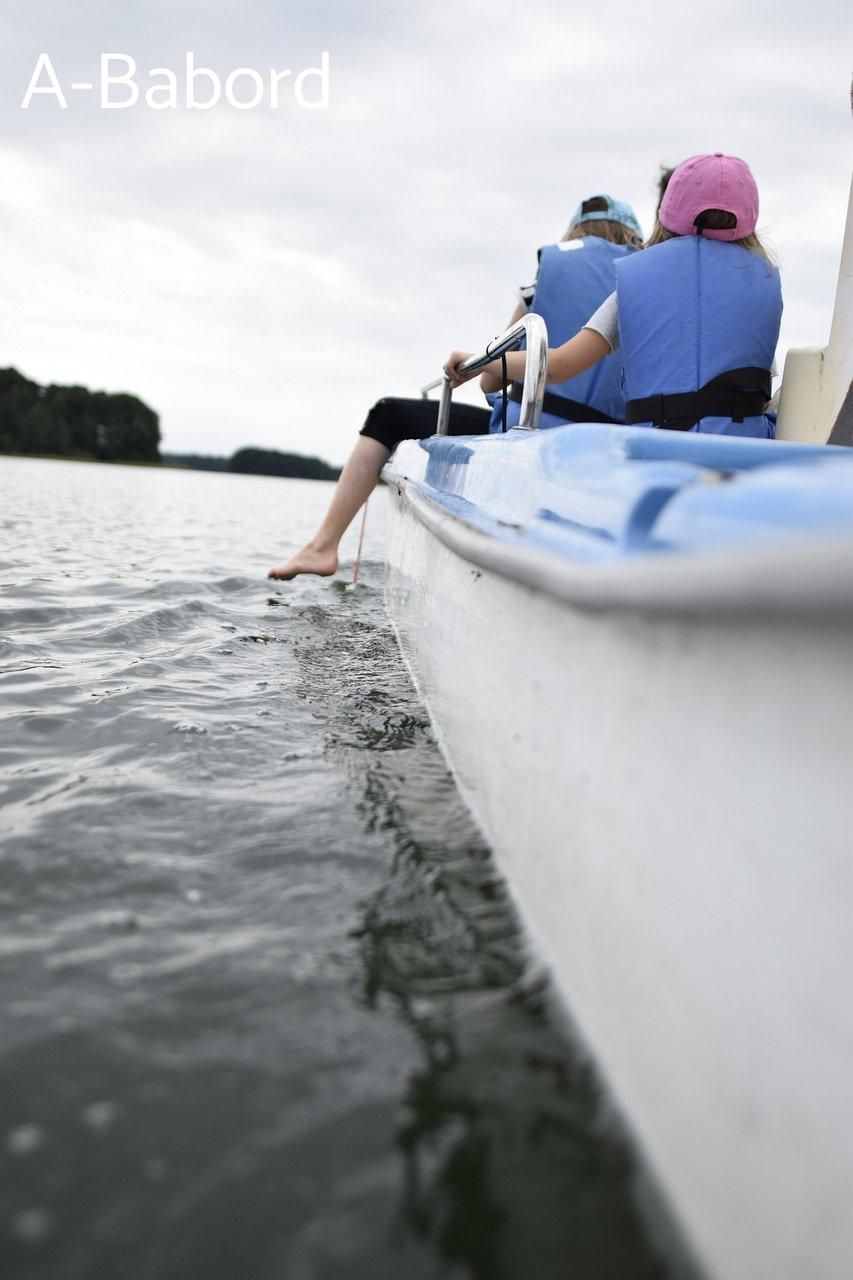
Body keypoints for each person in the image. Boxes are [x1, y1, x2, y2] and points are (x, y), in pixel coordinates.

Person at [268, 194, 642, 581]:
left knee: (387, 415)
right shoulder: (643, 287)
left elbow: (490, 379)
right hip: (605, 444)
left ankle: (322, 546)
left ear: (573, 233)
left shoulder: (543, 282)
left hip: (529, 435)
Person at [445, 154, 781, 441]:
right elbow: (761, 394)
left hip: (657, 450)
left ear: (666, 215)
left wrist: (479, 360)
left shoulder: (636, 283)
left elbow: (558, 366)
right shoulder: (762, 282)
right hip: (742, 454)